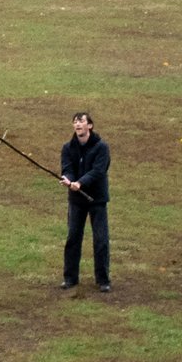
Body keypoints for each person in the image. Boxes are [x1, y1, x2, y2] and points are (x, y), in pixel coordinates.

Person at [59, 110, 111, 291]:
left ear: (90, 126)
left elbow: (98, 171)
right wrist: (69, 180)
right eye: (75, 122)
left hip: (97, 199)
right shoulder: (67, 148)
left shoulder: (102, 147)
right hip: (76, 200)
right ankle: (70, 278)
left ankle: (103, 280)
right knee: (73, 237)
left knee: (101, 239)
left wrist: (79, 183)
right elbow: (67, 168)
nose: (78, 124)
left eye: (81, 121)